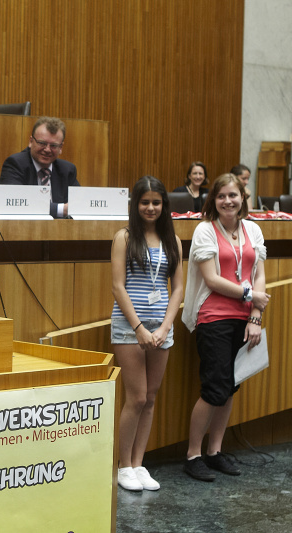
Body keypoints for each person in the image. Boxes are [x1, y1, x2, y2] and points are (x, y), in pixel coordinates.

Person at [181, 173, 270, 482]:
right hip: (214, 317)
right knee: (214, 388)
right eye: (221, 196)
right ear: (213, 200)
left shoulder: (253, 229)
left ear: (242, 197)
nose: (228, 201)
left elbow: (260, 276)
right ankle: (193, 455)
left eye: (233, 195)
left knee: (231, 386)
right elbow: (212, 279)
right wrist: (250, 295)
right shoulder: (205, 230)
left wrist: (255, 316)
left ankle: (214, 451)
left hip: (244, 318)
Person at [111, 176, 184, 492]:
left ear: (164, 205)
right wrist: (139, 328)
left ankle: (139, 464)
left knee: (151, 398)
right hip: (130, 328)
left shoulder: (173, 240)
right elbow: (118, 287)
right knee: (137, 397)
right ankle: (123, 465)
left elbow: (178, 288)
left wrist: (165, 327)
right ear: (136, 204)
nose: (151, 208)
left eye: (156, 202)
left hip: (161, 328)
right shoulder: (124, 237)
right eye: (145, 202)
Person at [0, 116, 79, 218]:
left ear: (61, 148)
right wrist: (61, 209)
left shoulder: (67, 170)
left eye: (53, 145)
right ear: (31, 141)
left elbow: (80, 204)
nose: (47, 150)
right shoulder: (15, 164)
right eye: (42, 143)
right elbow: (15, 203)